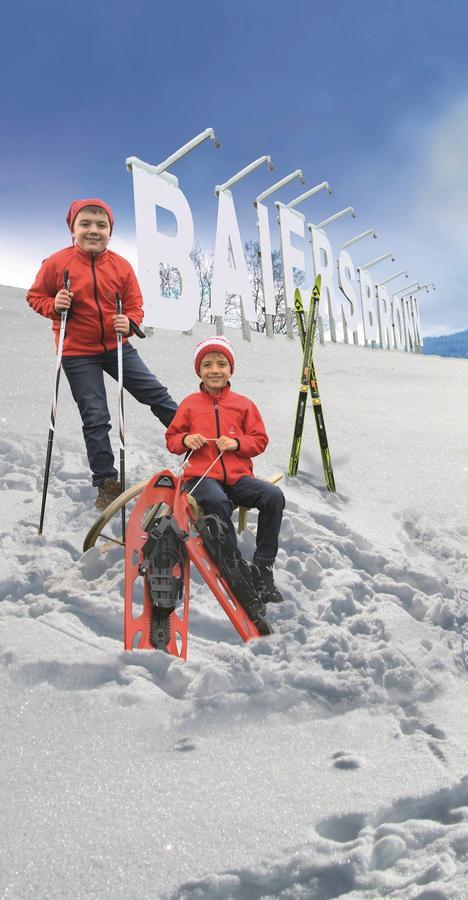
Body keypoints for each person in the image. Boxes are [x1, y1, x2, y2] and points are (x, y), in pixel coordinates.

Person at [27, 198, 178, 509]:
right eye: (85, 224)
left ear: (110, 230)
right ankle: (107, 482)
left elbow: (135, 304)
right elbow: (35, 296)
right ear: (73, 229)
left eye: (101, 225)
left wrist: (131, 322)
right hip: (76, 353)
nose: (93, 230)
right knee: (96, 417)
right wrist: (53, 305)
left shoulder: (121, 266)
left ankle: (196, 445)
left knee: (156, 394)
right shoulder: (56, 264)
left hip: (117, 347)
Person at [165, 336, 285, 603]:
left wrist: (237, 443)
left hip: (238, 477)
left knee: (273, 496)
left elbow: (260, 440)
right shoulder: (189, 404)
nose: (215, 370)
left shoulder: (244, 404)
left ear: (231, 369)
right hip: (202, 477)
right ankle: (234, 567)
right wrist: (186, 440)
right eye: (207, 364)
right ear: (199, 371)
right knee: (218, 502)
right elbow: (172, 439)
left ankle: (262, 566)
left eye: (221, 363)